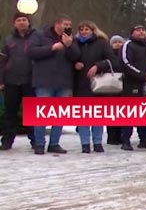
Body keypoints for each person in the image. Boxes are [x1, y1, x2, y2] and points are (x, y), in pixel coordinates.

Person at [29, 14, 81, 155]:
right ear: (57, 24)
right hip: (44, 80)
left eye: (70, 24)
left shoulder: (71, 39)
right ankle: (39, 143)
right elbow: (32, 52)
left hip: (64, 82)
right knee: (42, 114)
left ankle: (54, 143)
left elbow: (76, 56)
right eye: (65, 24)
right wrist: (51, 48)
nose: (68, 27)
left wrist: (69, 46)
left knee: (59, 115)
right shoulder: (40, 35)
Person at [72, 20, 121, 153]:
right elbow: (70, 57)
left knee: (97, 115)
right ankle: (85, 143)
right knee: (83, 116)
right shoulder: (75, 43)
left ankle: (98, 142)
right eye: (81, 29)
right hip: (81, 83)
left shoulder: (102, 43)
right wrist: (75, 64)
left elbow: (113, 60)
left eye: (86, 29)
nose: (83, 32)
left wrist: (98, 66)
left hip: (99, 84)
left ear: (93, 30)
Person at [0, 12, 36, 150]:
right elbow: (2, 62)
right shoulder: (8, 40)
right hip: (11, 81)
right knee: (10, 112)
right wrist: (1, 80)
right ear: (14, 23)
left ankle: (35, 141)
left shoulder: (36, 38)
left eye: (24, 20)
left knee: (32, 113)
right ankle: (7, 141)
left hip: (30, 80)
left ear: (28, 22)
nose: (22, 22)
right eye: (19, 20)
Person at [120, 25, 146, 150]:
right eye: (138, 30)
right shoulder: (128, 45)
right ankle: (125, 140)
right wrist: (143, 76)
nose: (141, 32)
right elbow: (126, 63)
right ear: (132, 32)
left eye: (143, 30)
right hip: (132, 84)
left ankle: (144, 139)